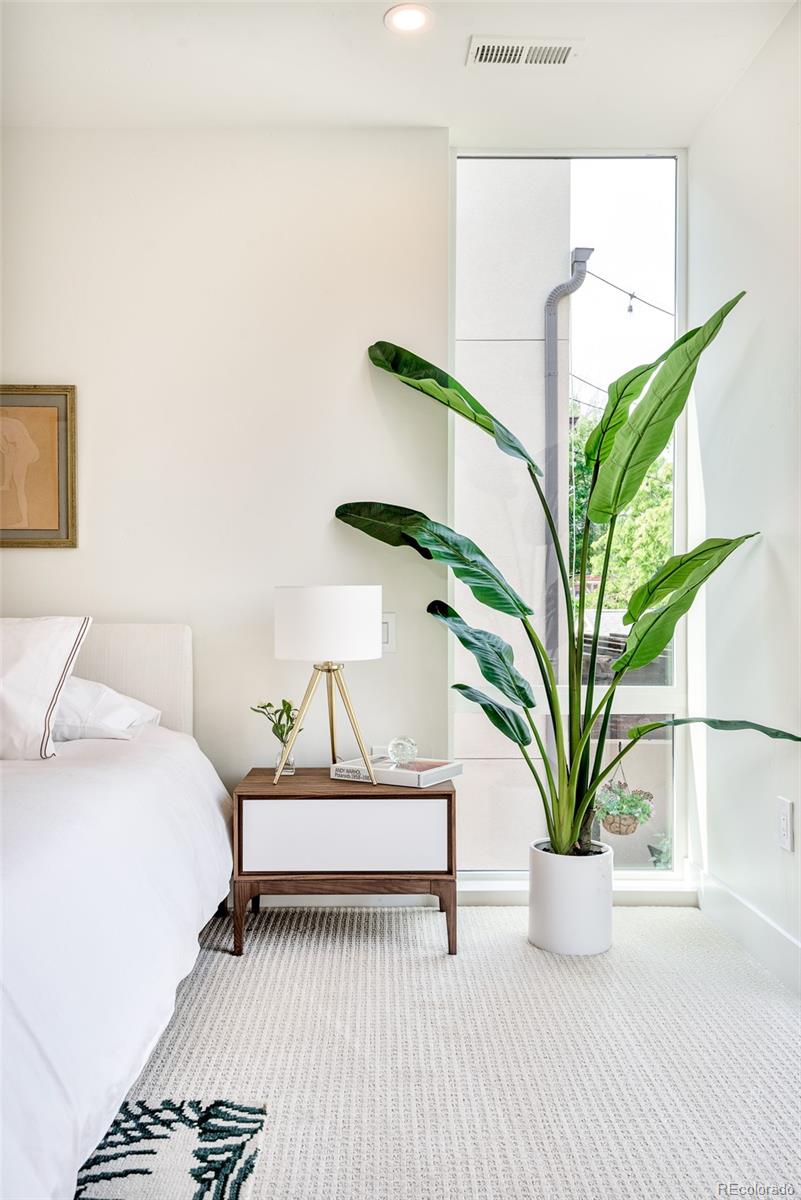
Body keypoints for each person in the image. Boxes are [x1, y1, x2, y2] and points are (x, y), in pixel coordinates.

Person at [0, 414, 40, 529]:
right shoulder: (8, 421)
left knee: (19, 487)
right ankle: (6, 484)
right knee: (10, 454)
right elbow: (9, 452)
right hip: (31, 449)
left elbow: (6, 450)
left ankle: (24, 522)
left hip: (25, 451)